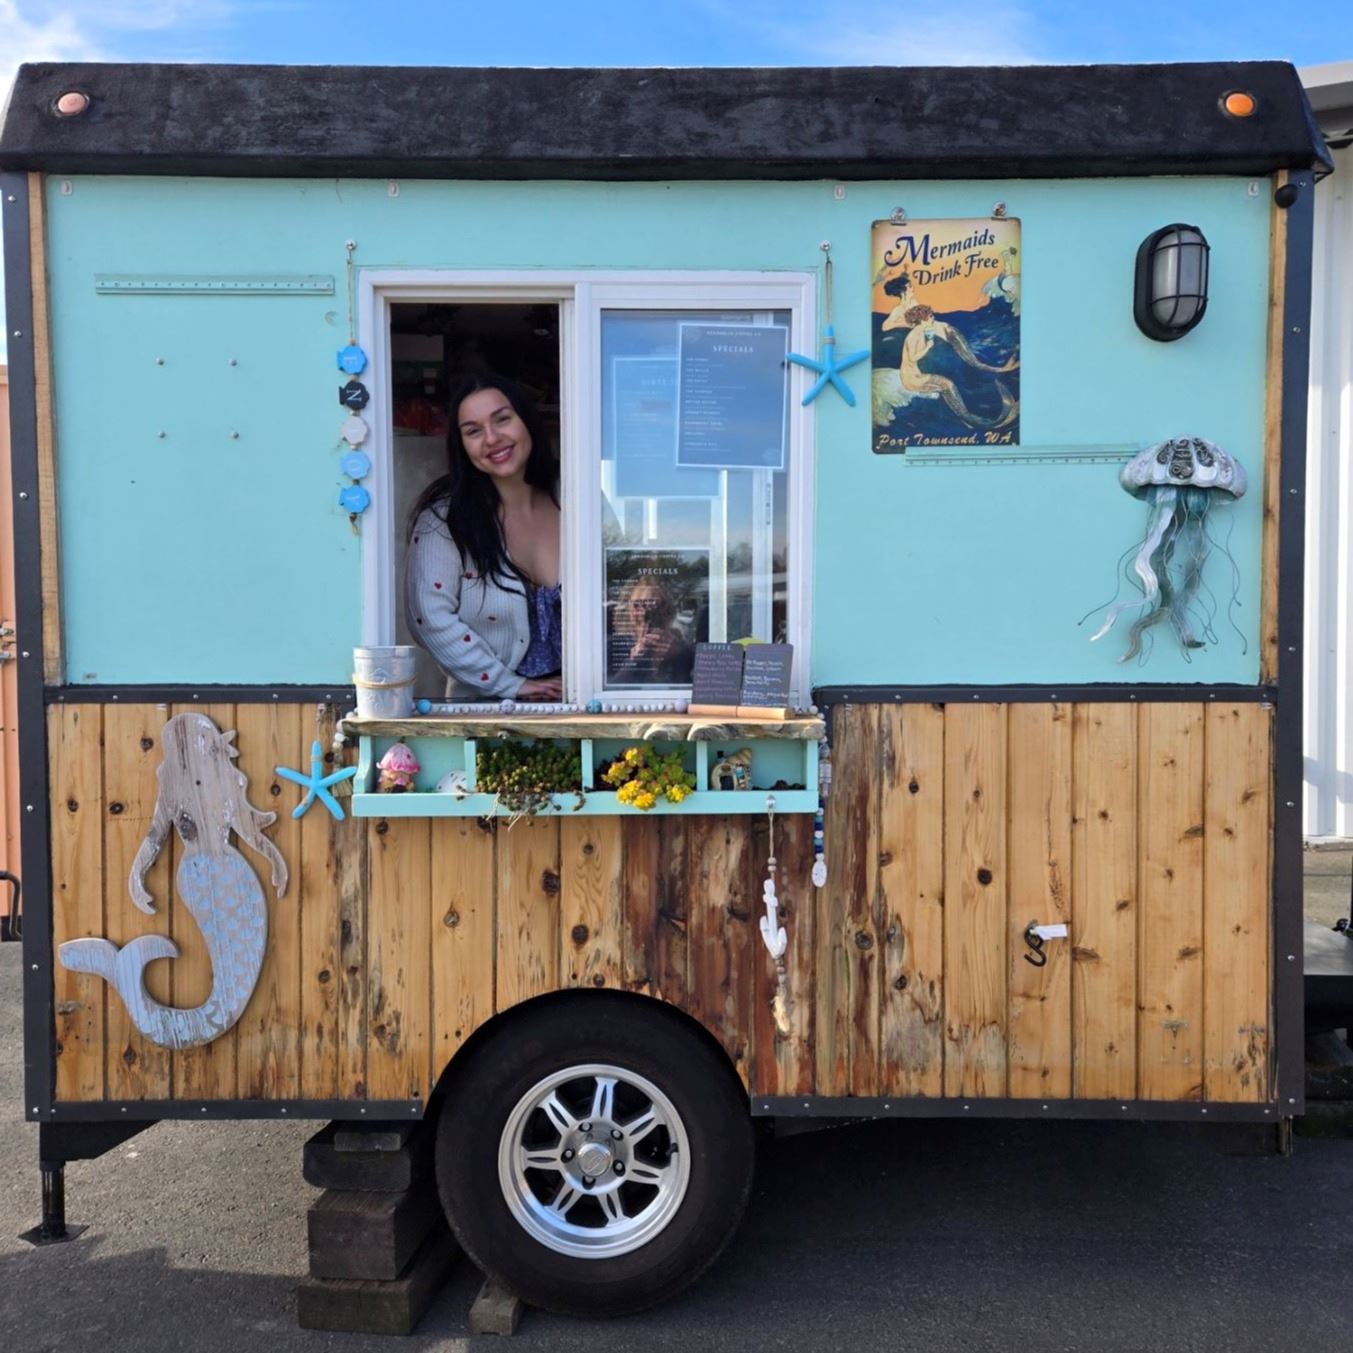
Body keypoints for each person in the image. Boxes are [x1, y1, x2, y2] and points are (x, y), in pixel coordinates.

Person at [406, 373, 562, 701]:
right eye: (473, 431)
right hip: (484, 714)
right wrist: (509, 685)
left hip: (587, 707)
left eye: (502, 419)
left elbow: (619, 590)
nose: (492, 438)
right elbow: (429, 617)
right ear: (461, 446)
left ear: (527, 421)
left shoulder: (577, 498)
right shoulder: (444, 519)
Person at [606, 575, 694, 686]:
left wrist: (678, 654)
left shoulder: (680, 646)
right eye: (638, 605)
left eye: (656, 605)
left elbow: (693, 686)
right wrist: (633, 661)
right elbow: (609, 690)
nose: (645, 614)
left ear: (668, 610)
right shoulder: (614, 646)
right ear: (629, 609)